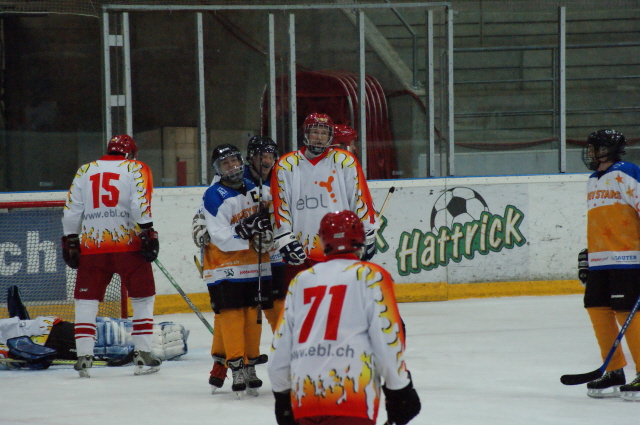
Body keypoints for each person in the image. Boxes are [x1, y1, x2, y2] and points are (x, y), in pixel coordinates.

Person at [267, 210, 421, 425]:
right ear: (361, 240)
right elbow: (387, 341)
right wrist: (400, 389)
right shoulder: (372, 276)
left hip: (305, 402)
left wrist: (282, 398)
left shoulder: (301, 281)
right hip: (353, 399)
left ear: (323, 241)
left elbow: (280, 350)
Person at [61, 134, 161, 378]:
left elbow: (72, 210)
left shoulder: (85, 170)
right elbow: (139, 204)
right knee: (142, 298)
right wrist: (148, 231)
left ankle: (84, 356)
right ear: (131, 153)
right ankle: (143, 353)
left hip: (93, 248)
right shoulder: (136, 167)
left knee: (86, 301)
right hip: (129, 247)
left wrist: (70, 239)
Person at [192, 136, 284, 393]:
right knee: (229, 313)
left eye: (270, 157)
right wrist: (199, 223)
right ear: (251, 158)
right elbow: (209, 219)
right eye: (261, 156)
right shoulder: (221, 188)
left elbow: (281, 214)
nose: (266, 161)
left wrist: (272, 235)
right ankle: (224, 364)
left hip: (265, 258)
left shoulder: (277, 180)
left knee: (261, 310)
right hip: (231, 261)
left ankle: (264, 359)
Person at [270, 112, 379, 288]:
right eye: (315, 132)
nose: (319, 138)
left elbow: (360, 199)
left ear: (330, 137)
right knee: (301, 301)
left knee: (340, 299)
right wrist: (284, 237)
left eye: (324, 133)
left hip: (341, 249)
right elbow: (280, 205)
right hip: (300, 251)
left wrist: (368, 232)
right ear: (306, 134)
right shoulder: (286, 165)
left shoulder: (344, 161)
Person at [580, 129, 640, 401]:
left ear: (609, 150)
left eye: (596, 148)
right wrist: (588, 254)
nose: (591, 153)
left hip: (627, 258)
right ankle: (614, 370)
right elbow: (601, 220)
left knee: (627, 312)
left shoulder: (627, 172)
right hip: (600, 260)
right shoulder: (593, 180)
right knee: (596, 308)